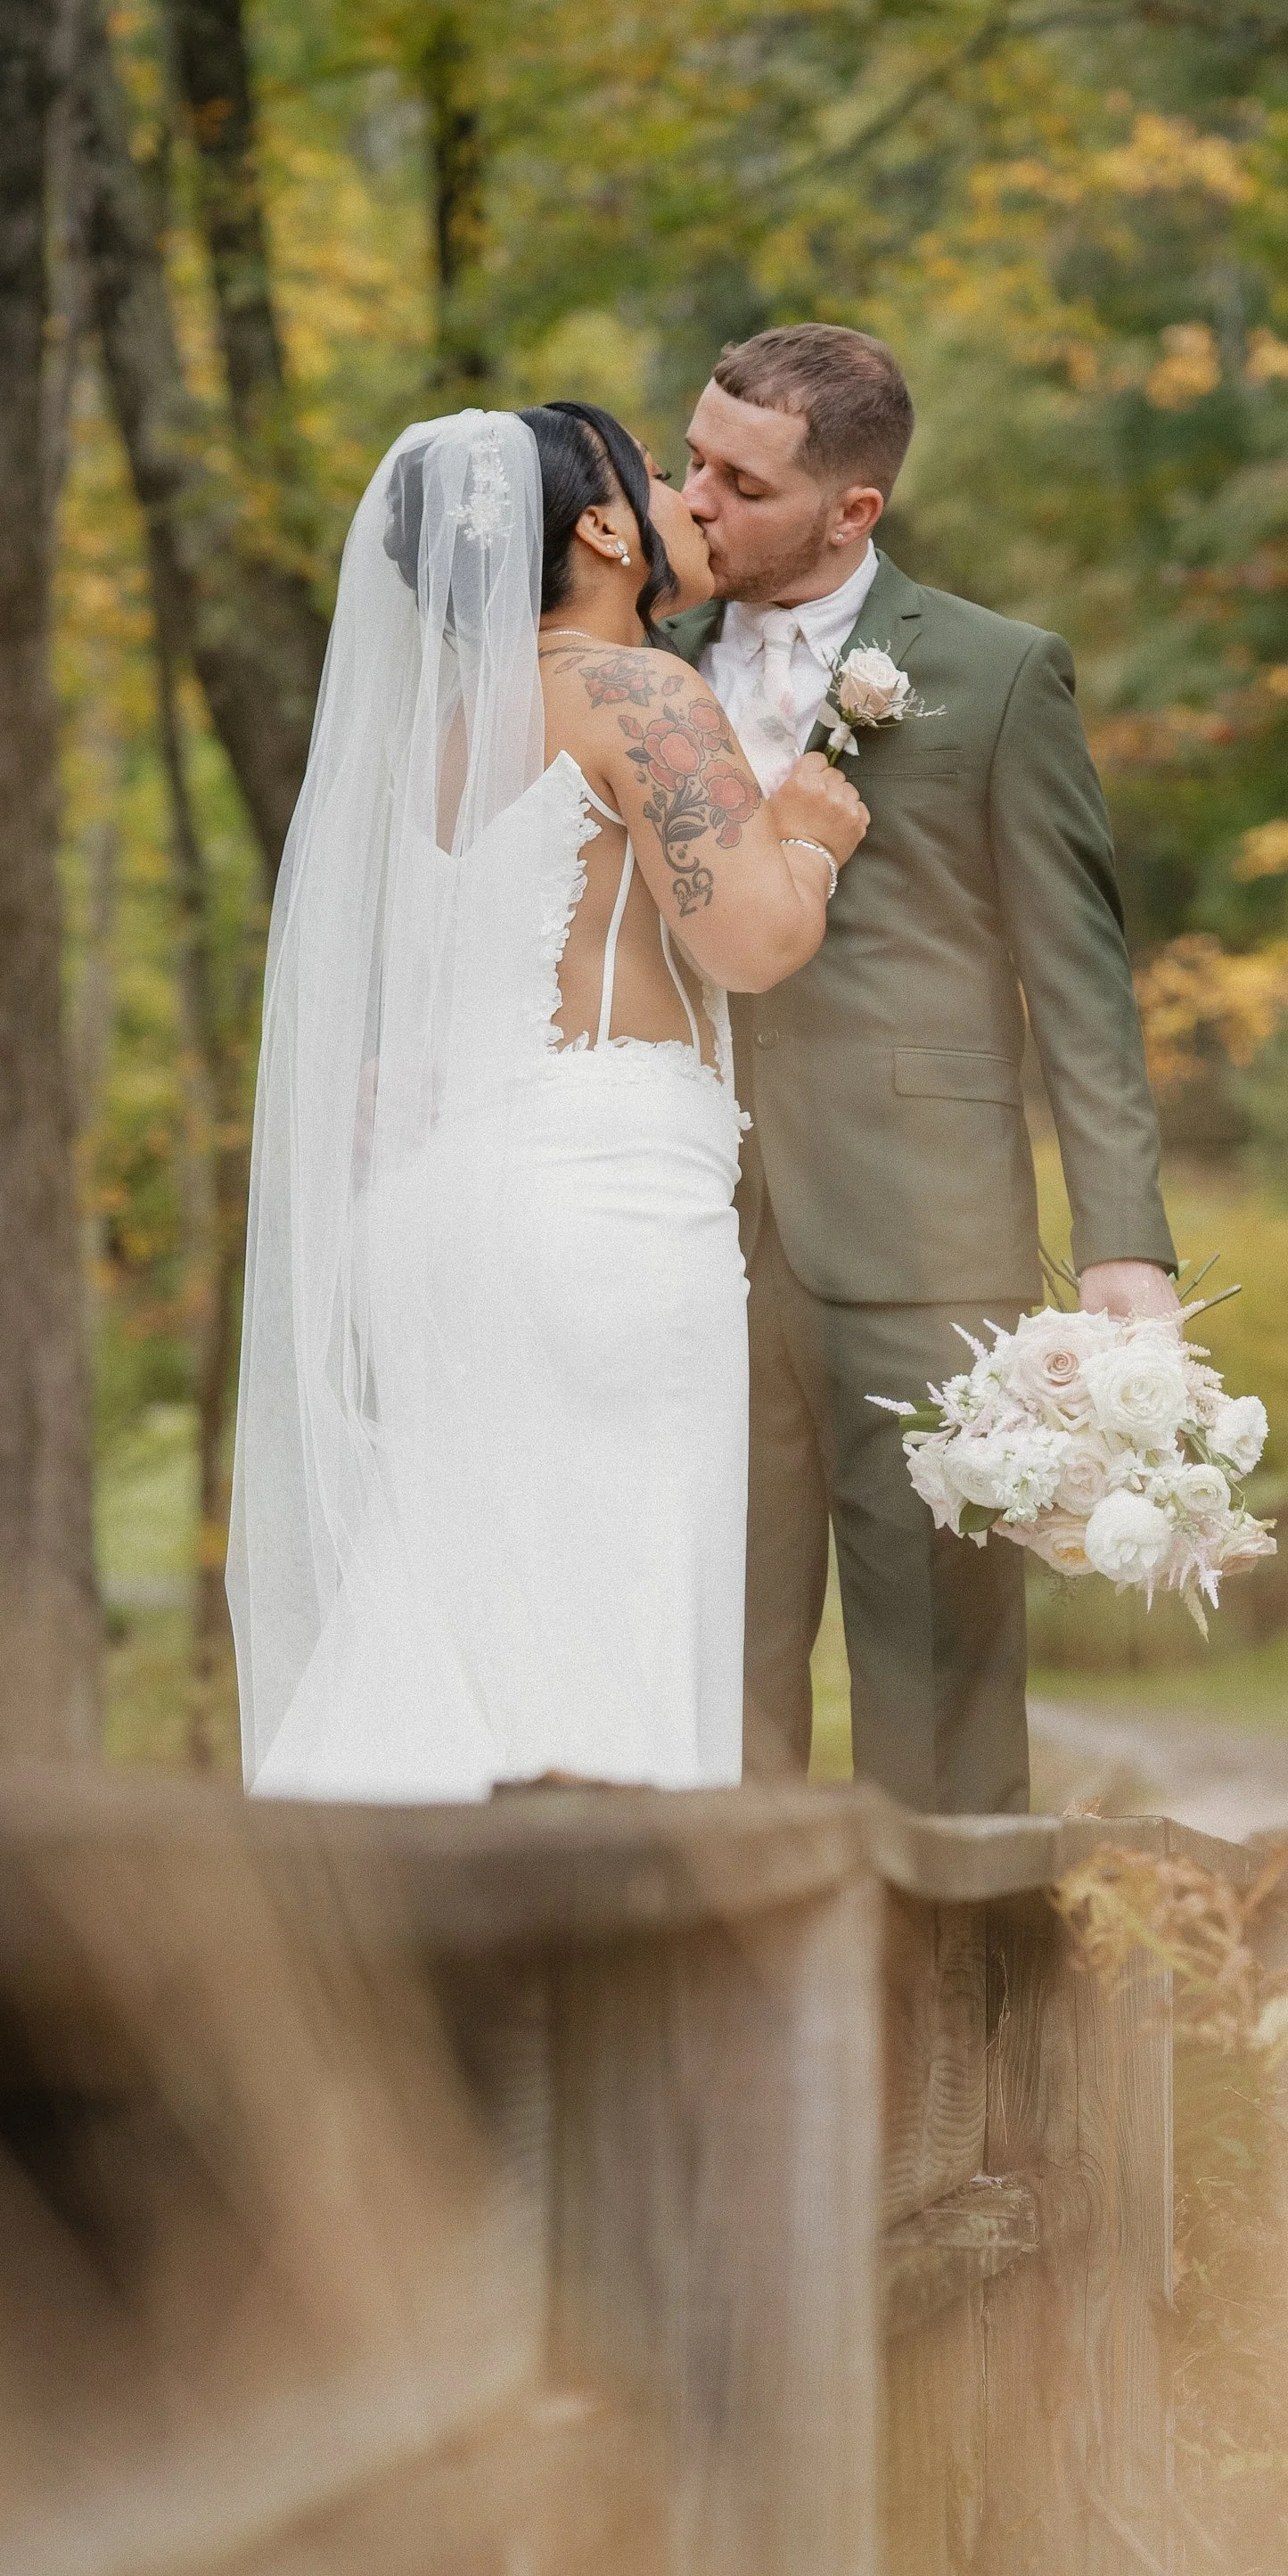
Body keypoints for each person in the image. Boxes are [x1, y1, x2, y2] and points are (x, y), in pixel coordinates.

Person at [226, 404, 868, 1800]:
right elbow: (749, 942)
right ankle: (599, 1954)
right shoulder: (635, 690)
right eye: (656, 477)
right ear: (598, 526)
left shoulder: (439, 736)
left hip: (446, 1214)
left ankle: (363, 1943)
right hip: (601, 1215)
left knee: (448, 1606)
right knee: (614, 1613)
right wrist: (807, 844)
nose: (684, 500)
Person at [664, 325, 1180, 1815]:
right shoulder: (644, 665)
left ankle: (954, 2033)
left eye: (739, 483)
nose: (692, 501)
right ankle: (748, 2021)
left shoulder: (999, 675)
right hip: (683, 1232)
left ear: (853, 513)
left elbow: (1082, 986)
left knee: (938, 1686)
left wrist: (1124, 1246)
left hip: (924, 1244)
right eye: (691, 458)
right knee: (710, 1671)